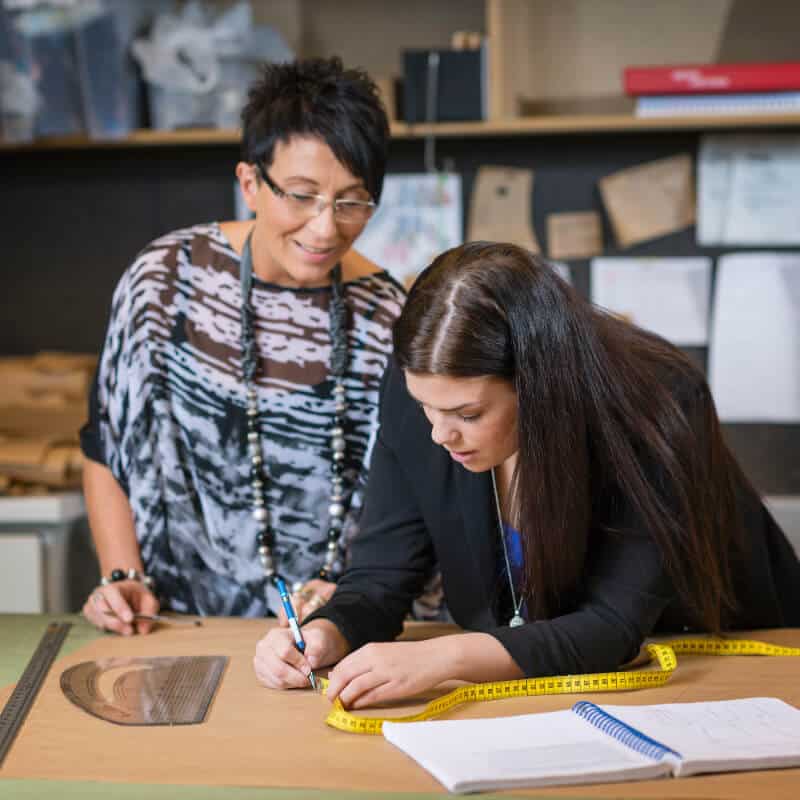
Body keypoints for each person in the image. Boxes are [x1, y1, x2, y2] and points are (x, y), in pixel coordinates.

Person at [254, 241, 800, 708]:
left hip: (719, 669)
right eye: (427, 408)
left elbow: (611, 627)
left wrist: (441, 657)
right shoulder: (423, 390)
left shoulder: (660, 402)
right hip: (556, 680)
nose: (438, 435)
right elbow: (380, 577)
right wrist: (328, 633)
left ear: (540, 387)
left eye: (468, 415)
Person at [79, 57, 407, 635]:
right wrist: (120, 574)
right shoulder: (166, 281)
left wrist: (355, 600)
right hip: (175, 630)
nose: (325, 228)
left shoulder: (388, 317)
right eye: (301, 196)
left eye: (352, 201)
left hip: (330, 637)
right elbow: (104, 443)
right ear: (250, 183)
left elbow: (408, 498)